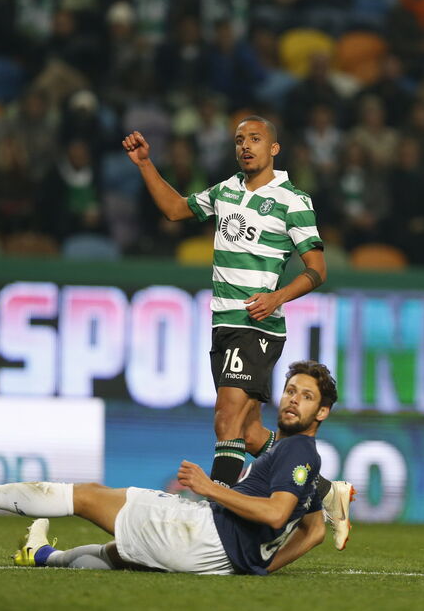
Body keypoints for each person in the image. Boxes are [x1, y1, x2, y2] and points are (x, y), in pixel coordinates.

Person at [121, 116, 354, 549]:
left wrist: (278, 297)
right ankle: (326, 493)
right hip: (224, 327)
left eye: (255, 139)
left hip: (257, 325)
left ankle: (213, 523)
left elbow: (317, 269)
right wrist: (145, 164)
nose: (245, 146)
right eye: (239, 140)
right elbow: (175, 210)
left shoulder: (292, 200)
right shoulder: (224, 192)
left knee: (226, 416)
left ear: (274, 149)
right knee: (244, 434)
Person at [0, 361, 336, 575]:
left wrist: (208, 486)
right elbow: (314, 531)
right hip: (219, 555)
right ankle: (40, 556)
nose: (292, 400)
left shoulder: (297, 452)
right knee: (121, 554)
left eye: (306, 396)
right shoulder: (303, 459)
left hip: (205, 536)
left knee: (90, 495)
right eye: (290, 391)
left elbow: (276, 513)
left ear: (321, 411)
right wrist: (259, 567)